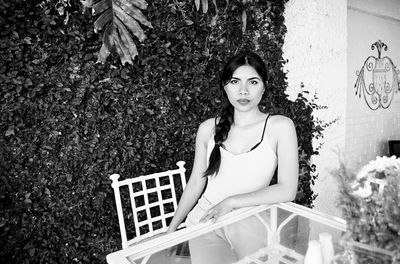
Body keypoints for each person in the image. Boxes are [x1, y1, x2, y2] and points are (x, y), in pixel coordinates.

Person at [167, 51, 299, 264]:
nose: (244, 90)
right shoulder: (207, 128)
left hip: (250, 222)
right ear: (224, 86)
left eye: (253, 82)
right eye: (235, 81)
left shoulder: (280, 126)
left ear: (264, 86)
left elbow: (287, 189)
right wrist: (172, 229)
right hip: (204, 221)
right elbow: (195, 184)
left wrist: (232, 202)